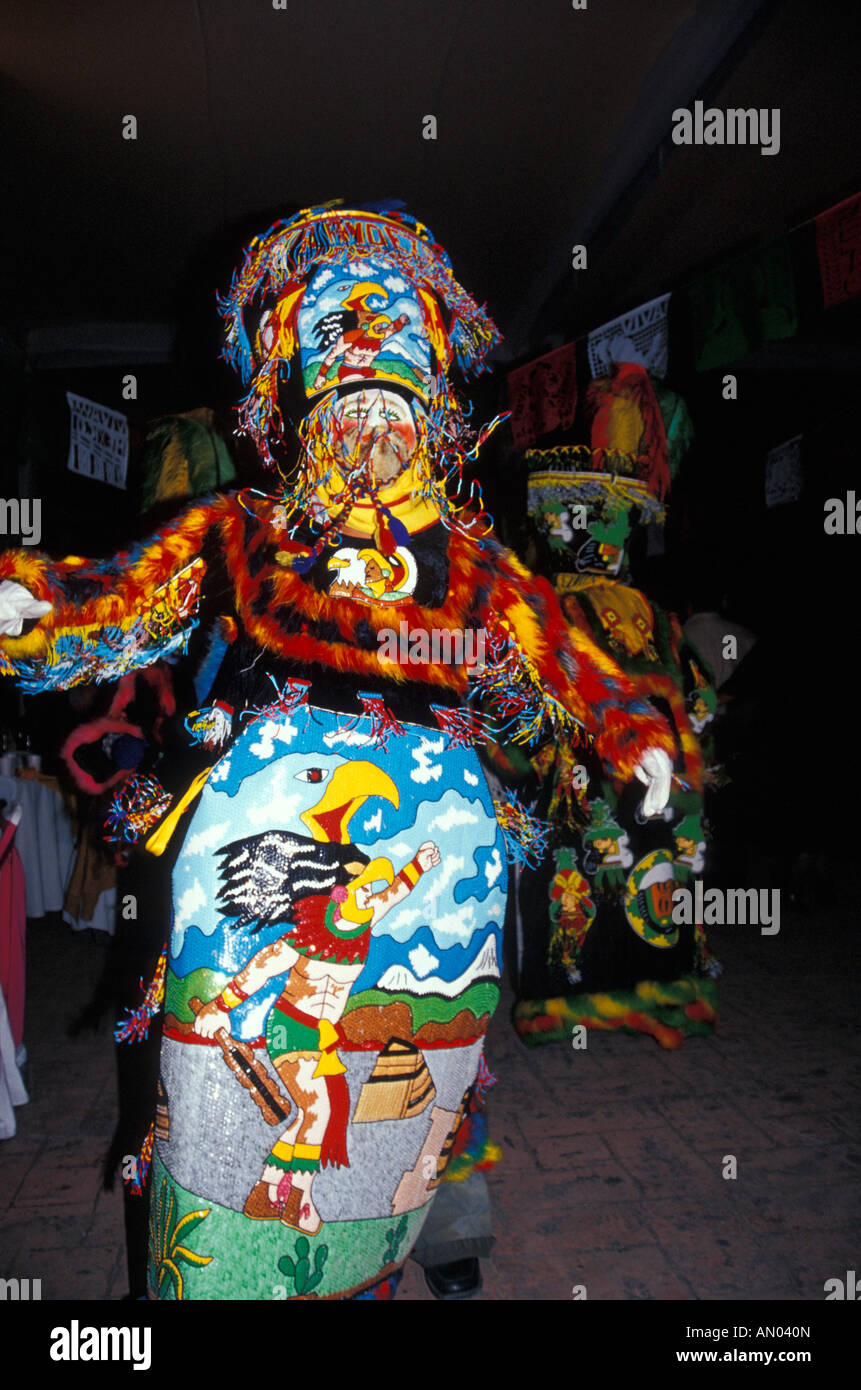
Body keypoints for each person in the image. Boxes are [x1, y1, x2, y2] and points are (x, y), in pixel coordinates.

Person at [0, 203, 674, 1299]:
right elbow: (114, 603)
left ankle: (390, 1257)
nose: (370, 408)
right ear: (305, 407)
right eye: (346, 385)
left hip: (436, 891)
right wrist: (31, 606)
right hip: (265, 878)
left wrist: (633, 734)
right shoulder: (241, 534)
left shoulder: (472, 566)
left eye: (392, 389)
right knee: (224, 1117)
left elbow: (568, 665)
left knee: (402, 1098)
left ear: (430, 412)